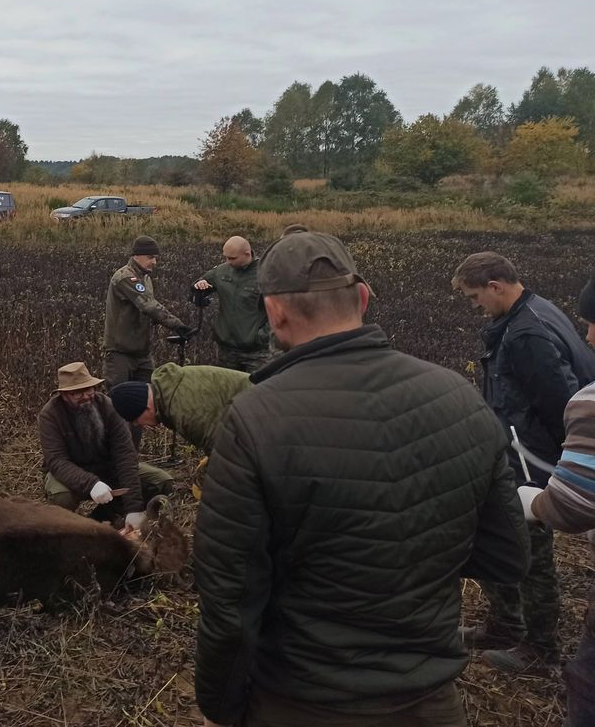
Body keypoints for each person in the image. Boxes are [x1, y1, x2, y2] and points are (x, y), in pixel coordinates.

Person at [194, 232, 529, 727]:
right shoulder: (458, 397)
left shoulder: (254, 418)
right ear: (365, 298)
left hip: (303, 699)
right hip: (431, 699)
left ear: (274, 312)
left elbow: (229, 601)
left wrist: (220, 706)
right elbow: (507, 557)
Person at [452, 251, 595, 674]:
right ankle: (504, 624)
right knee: (493, 532)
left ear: (496, 287)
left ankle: (540, 650)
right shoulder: (533, 310)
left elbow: (562, 403)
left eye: (475, 296)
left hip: (530, 462)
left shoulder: (525, 335)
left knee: (532, 555)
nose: (475, 306)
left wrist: (558, 469)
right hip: (515, 455)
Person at [518, 275, 595, 726]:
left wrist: (530, 500)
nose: (586, 336)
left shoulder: (590, 404)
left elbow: (569, 507)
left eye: (591, 323)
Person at [38, 362, 170, 528]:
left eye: (89, 389)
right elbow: (57, 462)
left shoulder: (108, 406)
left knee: (161, 481)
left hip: (108, 469)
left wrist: (134, 508)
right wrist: (91, 483)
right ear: (64, 395)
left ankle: (102, 518)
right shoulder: (50, 415)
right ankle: (67, 530)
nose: (86, 396)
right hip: (69, 473)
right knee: (61, 496)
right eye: (77, 393)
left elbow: (125, 455)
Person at [108, 360, 252, 454]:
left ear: (145, 408)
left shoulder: (183, 411)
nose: (138, 424)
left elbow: (224, 449)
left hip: (265, 414)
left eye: (135, 420)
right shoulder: (170, 389)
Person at [102, 235, 187, 389]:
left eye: (155, 258)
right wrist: (176, 324)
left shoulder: (145, 278)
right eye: (150, 257)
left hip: (142, 353)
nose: (154, 262)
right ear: (136, 256)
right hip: (120, 353)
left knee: (148, 398)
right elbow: (148, 306)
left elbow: (148, 311)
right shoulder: (125, 277)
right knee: (118, 400)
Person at [192, 235, 269, 373]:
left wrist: (263, 336)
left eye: (232, 258)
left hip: (257, 353)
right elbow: (195, 290)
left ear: (247, 254)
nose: (228, 262)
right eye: (226, 257)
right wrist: (199, 287)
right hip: (227, 351)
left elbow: (282, 309)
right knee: (226, 392)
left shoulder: (265, 274)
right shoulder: (221, 271)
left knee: (257, 391)